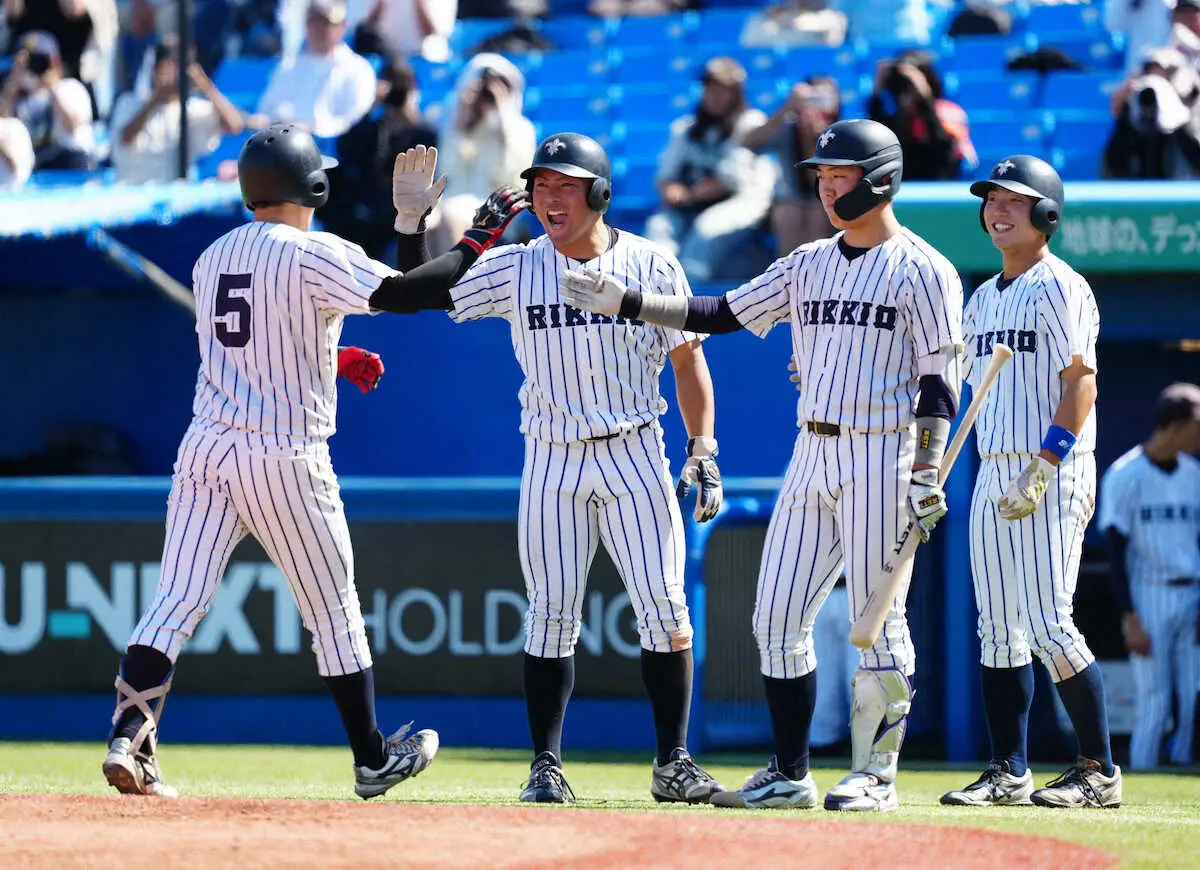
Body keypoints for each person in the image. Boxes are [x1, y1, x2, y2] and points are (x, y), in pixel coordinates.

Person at [99, 129, 530, 799]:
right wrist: (477, 236)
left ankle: (130, 736)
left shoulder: (212, 257)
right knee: (334, 613)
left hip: (208, 447)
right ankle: (371, 758)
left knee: (176, 601)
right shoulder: (312, 251)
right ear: (313, 185)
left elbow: (253, 350)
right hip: (283, 453)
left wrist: (332, 355)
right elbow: (413, 294)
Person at [561, 118, 965, 812]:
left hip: (882, 451)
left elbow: (938, 385)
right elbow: (720, 311)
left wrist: (927, 468)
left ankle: (876, 773)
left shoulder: (925, 268)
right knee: (776, 617)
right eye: (825, 177)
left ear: (883, 180)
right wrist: (628, 302)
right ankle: (790, 771)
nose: (831, 188)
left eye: (843, 176)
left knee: (877, 623)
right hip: (811, 448)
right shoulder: (808, 262)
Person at [372, 131, 726, 806]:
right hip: (553, 458)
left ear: (598, 193)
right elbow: (413, 294)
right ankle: (545, 765)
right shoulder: (515, 265)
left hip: (635, 451)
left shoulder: (652, 264)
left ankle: (673, 762)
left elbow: (689, 362)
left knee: (665, 607)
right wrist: (411, 224)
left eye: (565, 186)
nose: (549, 198)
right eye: (541, 186)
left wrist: (703, 448)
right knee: (551, 614)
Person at [939, 155, 1122, 810]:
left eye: (1014, 200)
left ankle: (1098, 770)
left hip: (1052, 465)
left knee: (1048, 623)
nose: (998, 210)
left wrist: (1046, 463)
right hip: (992, 466)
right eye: (991, 199)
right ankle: (1007, 770)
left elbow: (1082, 384)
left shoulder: (1061, 285)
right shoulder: (983, 297)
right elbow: (953, 381)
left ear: (1046, 212)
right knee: (998, 628)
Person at [1098, 382, 1200, 770]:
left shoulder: (1194, 475)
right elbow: (1115, 552)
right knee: (1154, 701)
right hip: (1149, 594)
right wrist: (1129, 617)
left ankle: (1183, 773)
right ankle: (1140, 777)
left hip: (1192, 593)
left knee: (1191, 698)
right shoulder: (1126, 475)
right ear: (1174, 424)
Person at [645, 56, 774, 283]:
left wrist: (708, 189)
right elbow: (665, 176)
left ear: (736, 92)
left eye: (722, 89)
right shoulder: (686, 127)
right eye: (709, 88)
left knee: (706, 230)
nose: (713, 95)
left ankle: (687, 300)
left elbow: (734, 179)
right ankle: (653, 293)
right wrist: (671, 188)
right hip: (691, 203)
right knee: (659, 227)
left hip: (742, 202)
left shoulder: (752, 122)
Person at [322, 57, 439, 259]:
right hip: (365, 208)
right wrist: (369, 107)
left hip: (399, 208)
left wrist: (407, 115)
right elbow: (347, 150)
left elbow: (426, 168)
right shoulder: (371, 128)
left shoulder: (423, 131)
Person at [428, 53, 537, 256]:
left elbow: (509, 178)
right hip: (453, 202)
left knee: (449, 216)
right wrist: (461, 120)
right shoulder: (461, 127)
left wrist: (503, 117)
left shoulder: (521, 129)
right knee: (426, 222)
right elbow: (447, 172)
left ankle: (458, 285)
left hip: (497, 207)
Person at [109, 38, 244, 184]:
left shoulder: (192, 108)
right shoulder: (129, 102)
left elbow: (235, 125)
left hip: (174, 194)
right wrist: (156, 99)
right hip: (133, 191)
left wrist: (206, 87)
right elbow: (125, 138)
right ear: (154, 69)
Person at [743, 74, 841, 257]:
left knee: (818, 213)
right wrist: (786, 108)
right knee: (791, 213)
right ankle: (789, 277)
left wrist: (817, 142)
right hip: (788, 205)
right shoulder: (787, 130)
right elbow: (749, 142)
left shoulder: (843, 133)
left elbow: (820, 185)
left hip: (829, 203)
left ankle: (817, 277)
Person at [249, 0, 376, 140]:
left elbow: (353, 118)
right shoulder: (289, 66)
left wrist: (312, 130)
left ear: (342, 27)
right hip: (284, 146)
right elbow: (268, 108)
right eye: (315, 22)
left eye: (327, 23)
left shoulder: (357, 69)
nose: (320, 29)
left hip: (335, 152)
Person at [0, 30, 94, 170]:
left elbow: (71, 126)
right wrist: (13, 83)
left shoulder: (71, 88)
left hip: (70, 167)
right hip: (37, 169)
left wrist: (51, 86)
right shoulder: (18, 99)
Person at [867, 52, 962, 181]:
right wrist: (878, 89)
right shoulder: (896, 115)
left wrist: (925, 98)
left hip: (939, 183)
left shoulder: (946, 111)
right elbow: (876, 140)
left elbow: (943, 148)